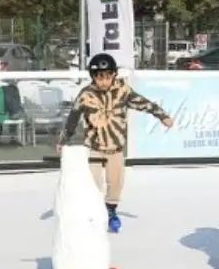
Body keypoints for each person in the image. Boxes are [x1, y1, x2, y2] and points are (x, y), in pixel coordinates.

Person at [58, 52, 173, 233]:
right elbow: (73, 117)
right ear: (93, 77)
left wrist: (162, 115)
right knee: (93, 184)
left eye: (107, 76)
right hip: (94, 147)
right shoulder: (86, 94)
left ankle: (111, 211)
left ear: (114, 75)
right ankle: (94, 214)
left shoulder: (123, 90)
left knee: (116, 182)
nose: (103, 81)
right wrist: (64, 139)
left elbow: (142, 103)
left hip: (115, 147)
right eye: (99, 77)